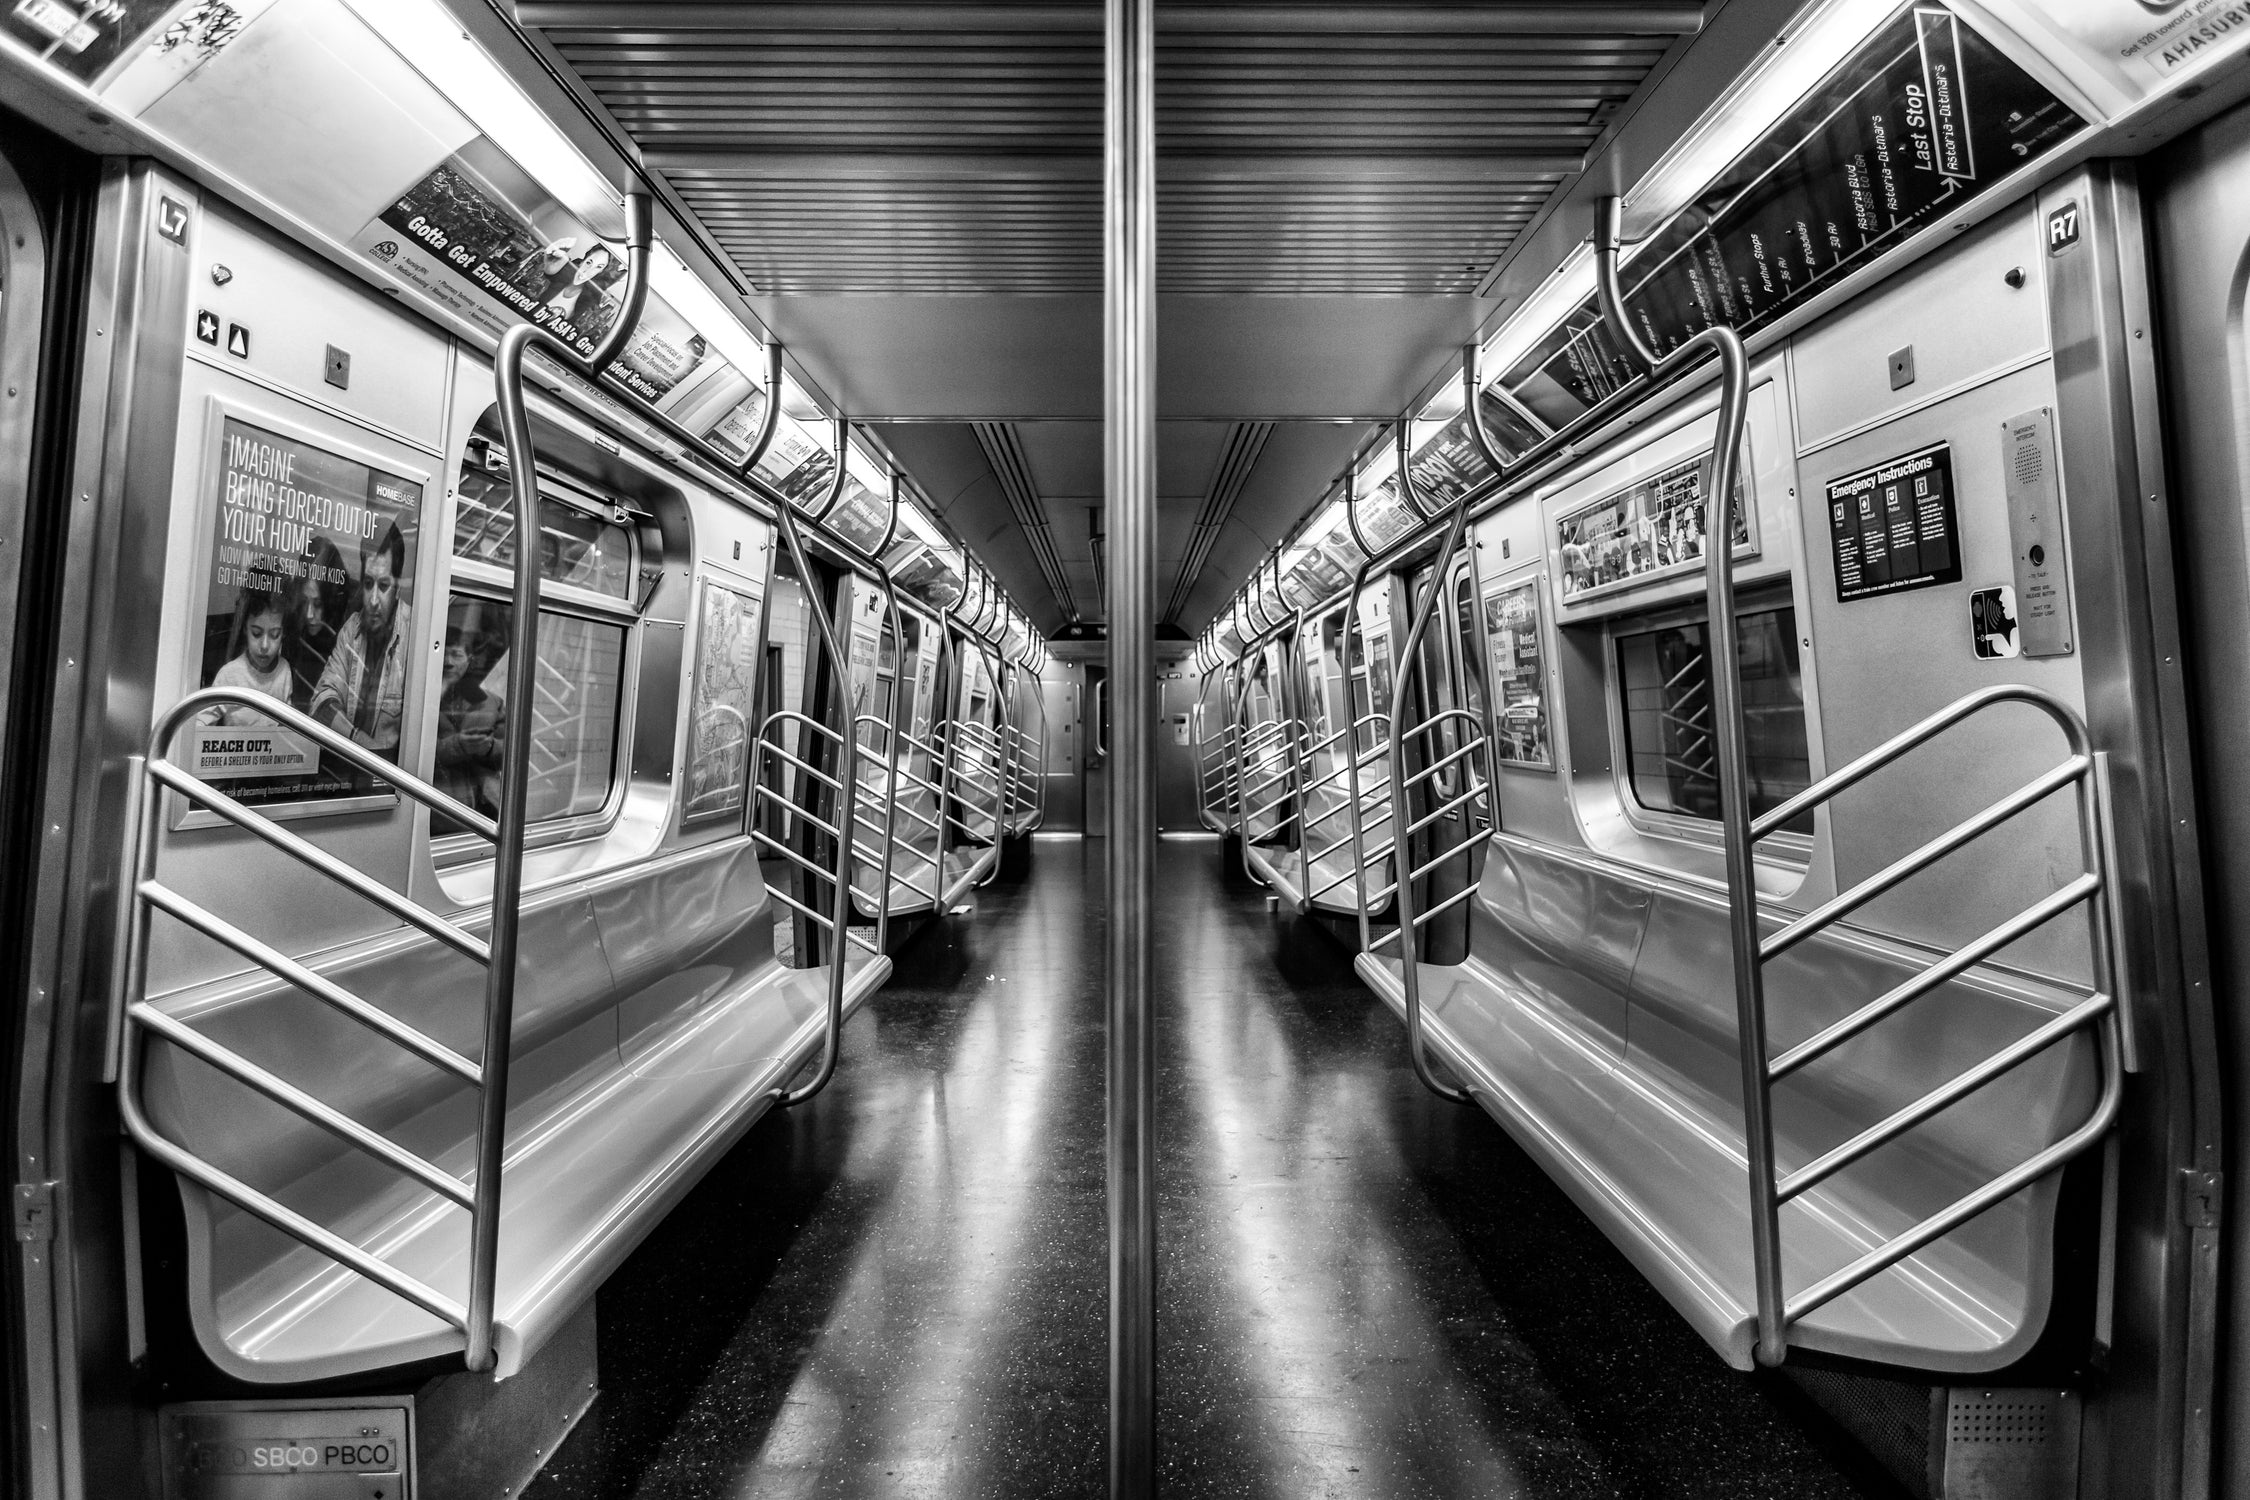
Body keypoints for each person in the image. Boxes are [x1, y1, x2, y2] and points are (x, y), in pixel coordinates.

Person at [311, 522, 412, 760]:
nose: (374, 599)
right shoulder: (351, 630)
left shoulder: (414, 638)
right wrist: (359, 741)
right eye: (368, 584)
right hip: (348, 769)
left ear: (398, 588)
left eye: (384, 586)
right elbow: (322, 702)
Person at [197, 568, 296, 726]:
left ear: (283, 633)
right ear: (244, 629)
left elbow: (288, 727)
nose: (264, 646)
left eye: (274, 634)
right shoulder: (230, 675)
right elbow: (200, 724)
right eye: (256, 633)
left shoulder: (284, 671)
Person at [432, 622, 505, 825]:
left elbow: (510, 753)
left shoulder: (490, 702)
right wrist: (459, 745)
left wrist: (489, 748)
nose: (448, 662)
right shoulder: (423, 700)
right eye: (443, 654)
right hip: (440, 807)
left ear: (469, 660)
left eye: (456, 655)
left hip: (488, 809)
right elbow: (416, 754)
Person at [542, 244, 618, 339]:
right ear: (583, 261)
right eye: (589, 262)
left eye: (598, 267)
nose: (588, 270)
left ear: (601, 272)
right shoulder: (558, 273)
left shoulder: (590, 301)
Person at [509, 236, 579, 304]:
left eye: (564, 248)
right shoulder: (540, 256)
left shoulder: (560, 272)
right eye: (558, 245)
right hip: (510, 287)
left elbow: (542, 293)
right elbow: (519, 268)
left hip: (526, 301)